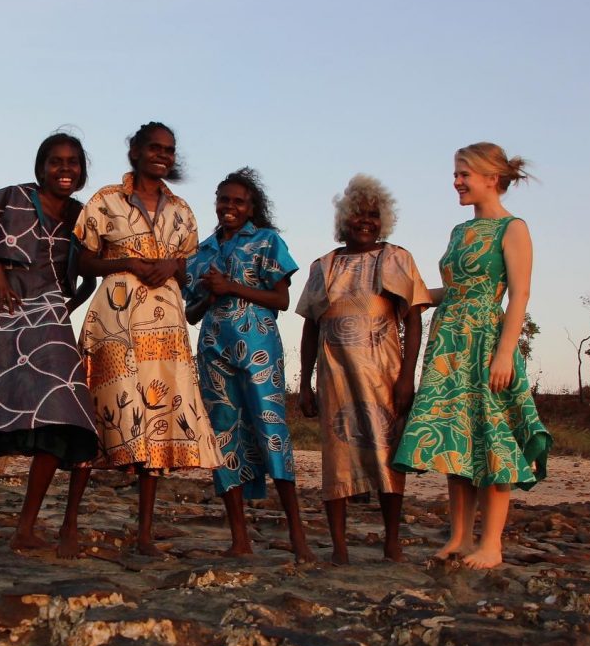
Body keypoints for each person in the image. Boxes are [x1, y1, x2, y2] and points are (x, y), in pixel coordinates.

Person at [392, 143, 552, 570]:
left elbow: (519, 294)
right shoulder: (459, 232)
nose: (456, 181)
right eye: (456, 174)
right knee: (454, 440)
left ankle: (492, 545)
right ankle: (460, 538)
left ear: (491, 178)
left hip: (485, 339)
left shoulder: (512, 228)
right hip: (448, 342)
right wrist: (417, 297)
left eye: (464, 174)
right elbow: (456, 289)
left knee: (491, 437)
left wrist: (505, 354)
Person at [0, 133, 100, 559]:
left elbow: (90, 268)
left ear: (82, 171)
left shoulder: (82, 216)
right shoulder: (12, 196)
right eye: (55, 162)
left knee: (63, 411)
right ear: (41, 167)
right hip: (4, 307)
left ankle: (26, 528)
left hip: (50, 313)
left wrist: (73, 298)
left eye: (72, 162)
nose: (64, 169)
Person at [75, 121, 221, 556]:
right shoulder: (106, 200)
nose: (163, 155)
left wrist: (173, 267)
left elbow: (188, 266)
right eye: (155, 147)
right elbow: (83, 258)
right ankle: (68, 526)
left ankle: (143, 534)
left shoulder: (183, 210)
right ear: (135, 151)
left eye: (170, 150)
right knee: (99, 413)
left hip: (167, 329)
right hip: (116, 323)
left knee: (156, 420)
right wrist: (130, 265)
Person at [295, 175, 431, 565]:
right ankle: (339, 547)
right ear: (344, 219)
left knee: (386, 455)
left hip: (383, 375)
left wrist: (408, 375)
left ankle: (392, 542)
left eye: (373, 215)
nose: (365, 222)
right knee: (336, 457)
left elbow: (415, 317)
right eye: (358, 215)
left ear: (383, 220)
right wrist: (305, 383)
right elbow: (310, 325)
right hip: (335, 377)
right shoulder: (324, 266)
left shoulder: (396, 258)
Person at [185, 168, 315, 563]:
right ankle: (239, 538)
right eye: (224, 200)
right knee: (223, 438)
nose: (230, 207)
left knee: (271, 432)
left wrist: (232, 287)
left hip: (259, 350)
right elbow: (191, 314)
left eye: (238, 201)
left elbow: (281, 301)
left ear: (251, 206)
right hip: (213, 351)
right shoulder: (202, 250)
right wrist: (210, 295)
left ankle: (298, 537)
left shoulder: (267, 241)